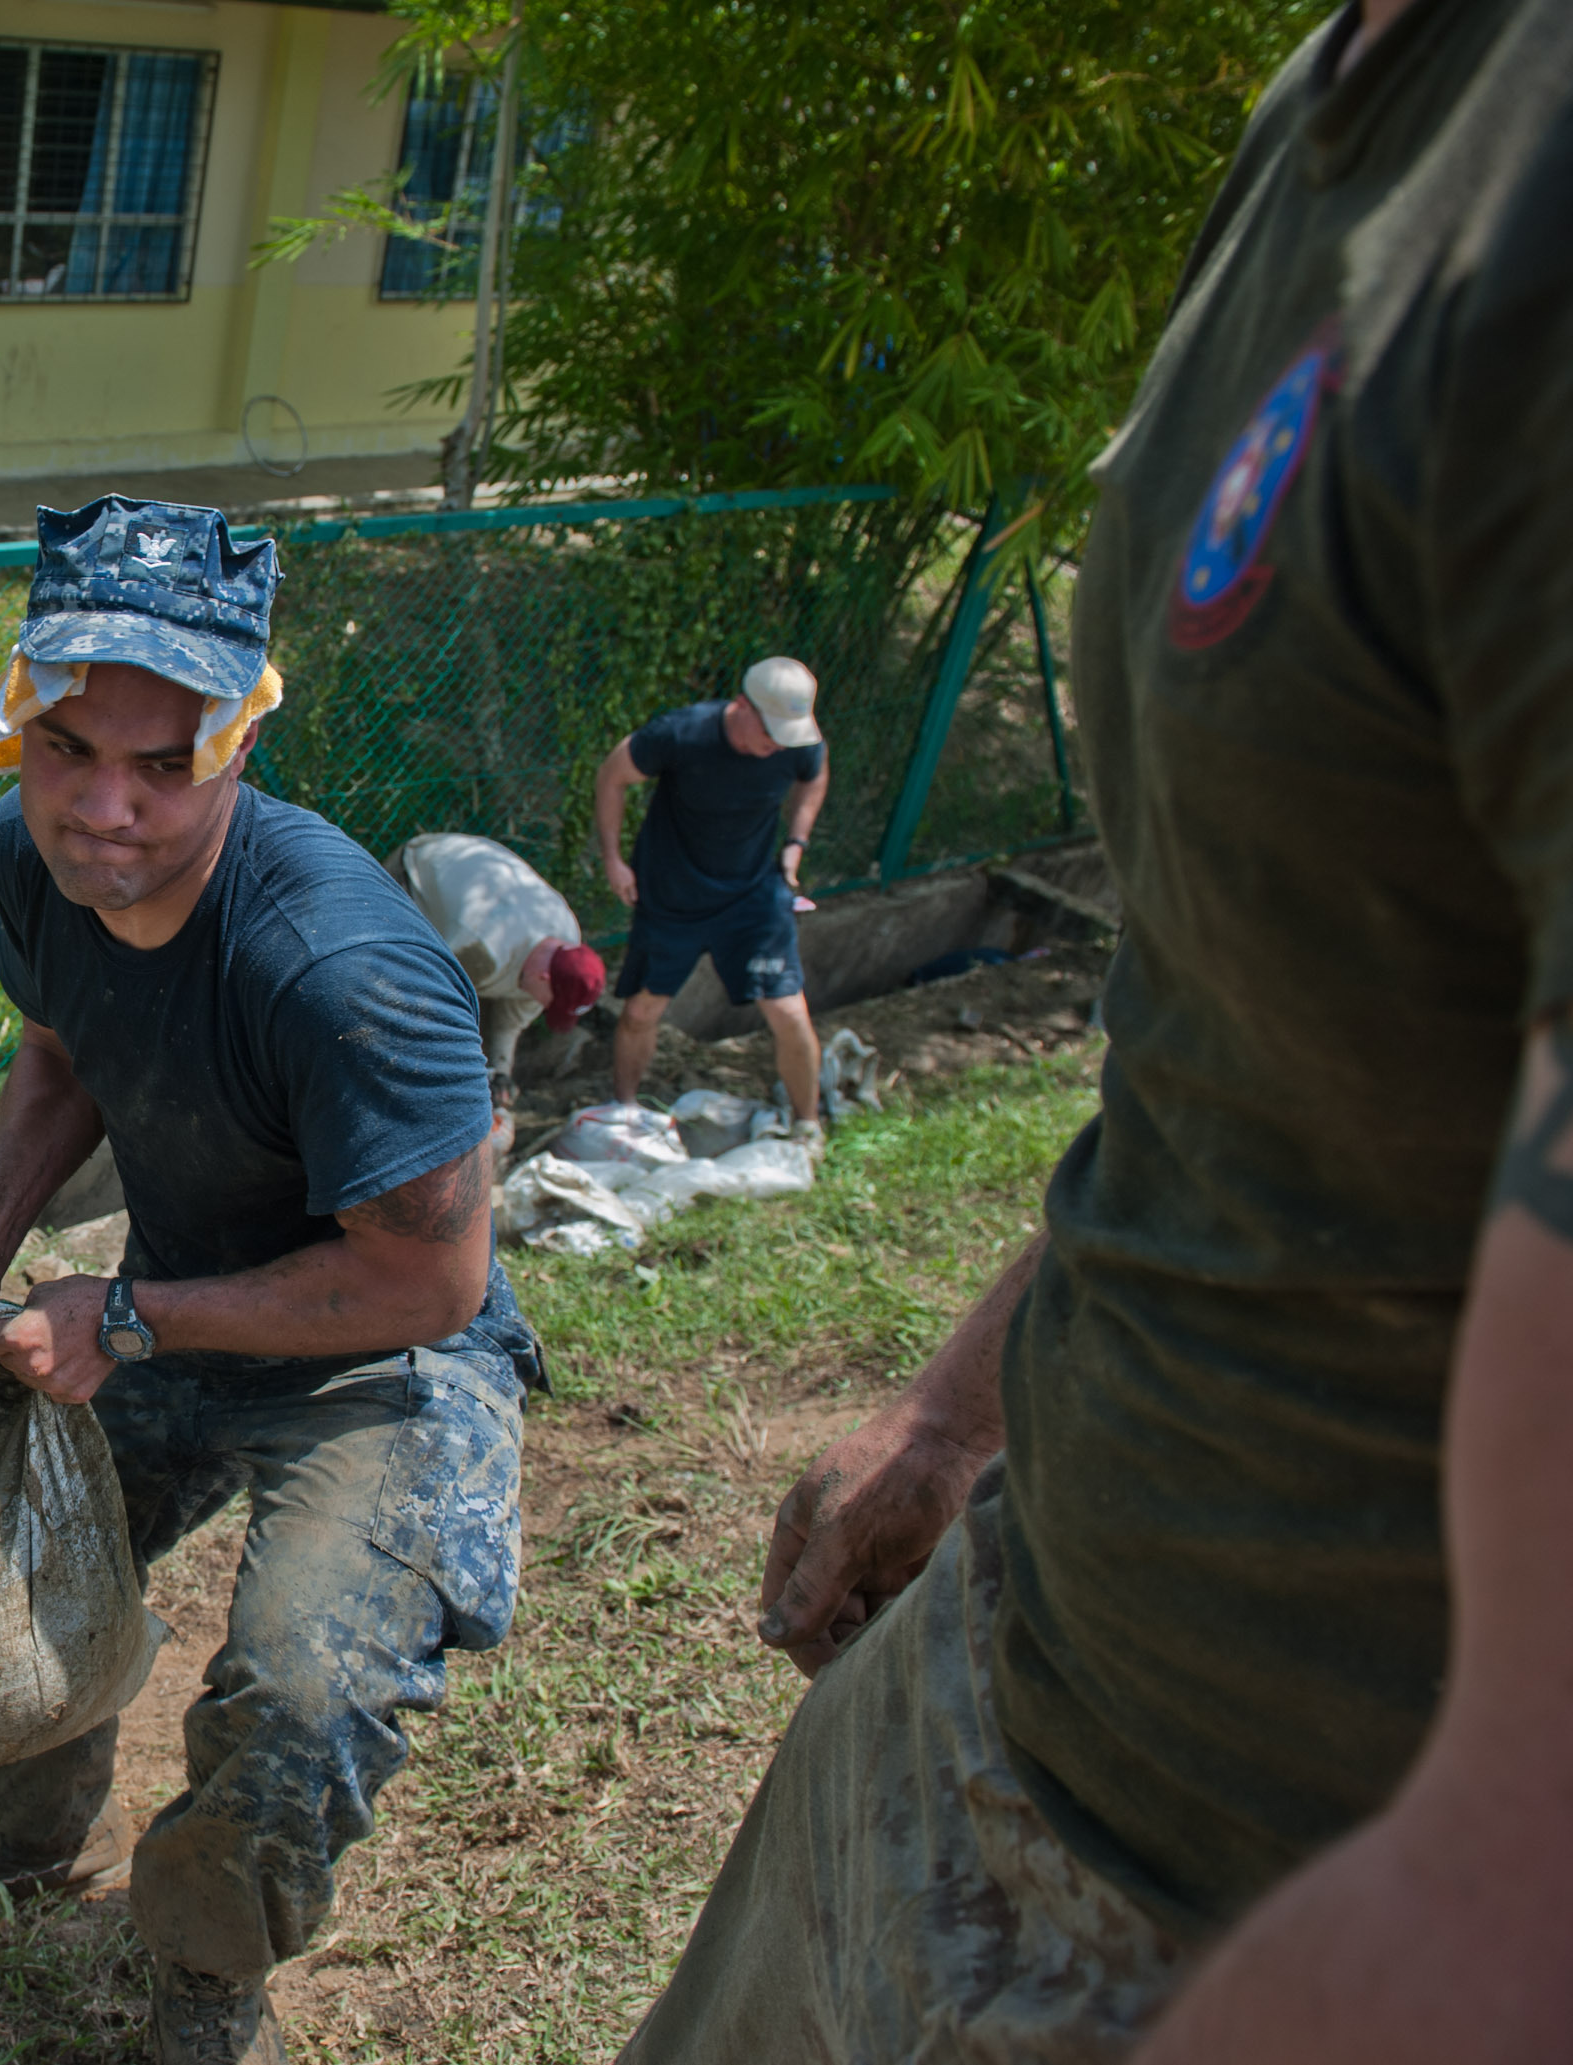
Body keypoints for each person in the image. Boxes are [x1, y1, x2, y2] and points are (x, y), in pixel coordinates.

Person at [623, 0, 1573, 2056]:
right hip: (1011, 1676)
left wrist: (1494, 1885)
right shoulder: (1342, 118)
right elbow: (1295, 1013)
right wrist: (970, 1406)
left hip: (1289, 1899)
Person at [0, 495, 541, 2064]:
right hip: (178, 1301)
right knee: (3, 1556)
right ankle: (46, 1841)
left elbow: (429, 1284)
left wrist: (121, 1313)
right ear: (22, 728)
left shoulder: (341, 973)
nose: (106, 807)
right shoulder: (36, 865)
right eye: (70, 751)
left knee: (299, 1697)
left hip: (382, 1362)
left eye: (164, 763)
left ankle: (199, 1979)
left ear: (238, 743)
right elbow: (64, 1046)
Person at [591, 657, 829, 1141]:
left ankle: (808, 1126)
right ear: (742, 706)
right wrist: (613, 858)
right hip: (672, 895)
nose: (776, 746)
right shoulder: (682, 733)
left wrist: (796, 842)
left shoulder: (796, 743)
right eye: (769, 734)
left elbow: (814, 776)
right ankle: (625, 1114)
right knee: (640, 1013)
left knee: (788, 1011)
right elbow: (612, 775)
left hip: (753, 896)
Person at [389, 831, 610, 1152]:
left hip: (478, 878)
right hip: (418, 873)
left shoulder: (564, 946)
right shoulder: (480, 949)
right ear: (543, 977)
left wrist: (500, 1074)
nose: (543, 1007)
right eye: (552, 1003)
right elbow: (423, 1008)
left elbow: (510, 1021)